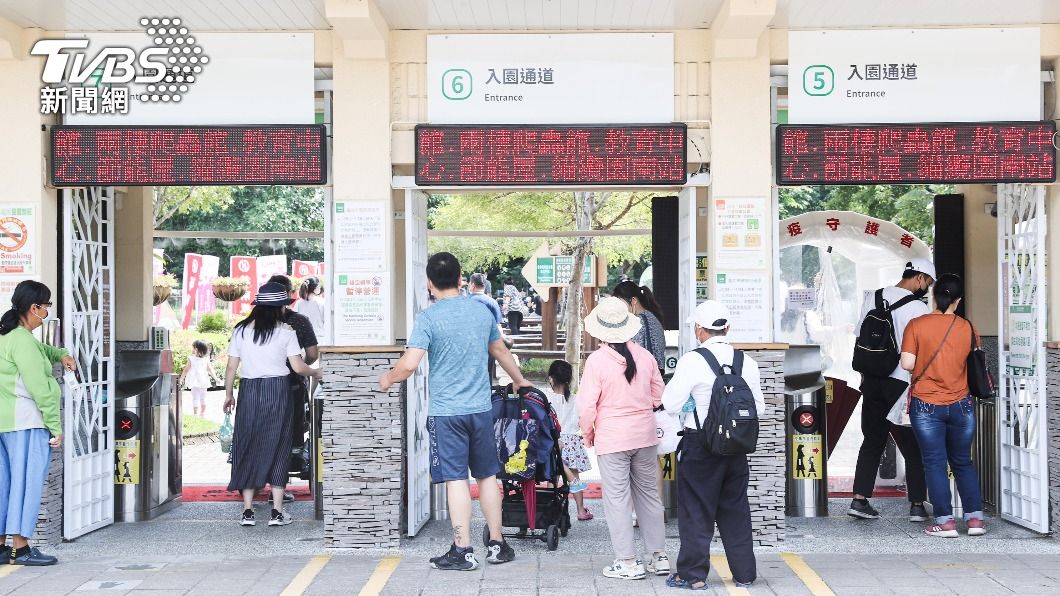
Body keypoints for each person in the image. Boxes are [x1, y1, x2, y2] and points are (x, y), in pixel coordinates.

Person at [378, 252, 528, 570]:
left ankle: (463, 550)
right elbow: (500, 350)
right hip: (481, 409)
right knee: (487, 476)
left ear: (429, 284)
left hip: (447, 413)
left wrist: (386, 379)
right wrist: (519, 380)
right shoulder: (480, 311)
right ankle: (498, 544)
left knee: (456, 479)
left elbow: (408, 365)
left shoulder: (428, 318)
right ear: (461, 279)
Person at [661, 300, 766, 590]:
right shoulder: (748, 362)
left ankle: (693, 576)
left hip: (700, 445)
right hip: (736, 448)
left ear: (699, 330)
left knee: (696, 509)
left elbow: (670, 403)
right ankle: (745, 574)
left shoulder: (693, 360)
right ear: (727, 328)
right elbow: (759, 408)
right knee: (735, 509)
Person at [577, 297, 668, 581]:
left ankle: (627, 562)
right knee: (649, 496)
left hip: (613, 437)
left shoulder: (597, 361)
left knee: (617, 500)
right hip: (645, 434)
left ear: (601, 330)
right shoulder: (645, 356)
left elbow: (586, 407)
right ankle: (658, 556)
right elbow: (659, 396)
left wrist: (589, 434)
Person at [224, 282, 322, 527]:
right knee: (280, 444)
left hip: (249, 390)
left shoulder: (241, 331)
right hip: (278, 390)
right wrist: (317, 373)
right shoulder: (286, 332)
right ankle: (277, 512)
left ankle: (248, 512)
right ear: (280, 308)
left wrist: (228, 395)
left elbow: (231, 367)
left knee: (247, 443)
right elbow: (299, 367)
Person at [900, 274, 986, 538]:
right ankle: (975, 521)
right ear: (958, 301)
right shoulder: (968, 328)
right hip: (961, 404)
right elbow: (972, 360)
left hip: (926, 404)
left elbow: (907, 364)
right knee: (962, 462)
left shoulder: (917, 325)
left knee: (935, 463)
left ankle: (945, 523)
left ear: (933, 296)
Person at [0, 280, 77, 565]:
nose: (47, 312)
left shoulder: (8, 335)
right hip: (26, 423)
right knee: (28, 483)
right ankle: (20, 548)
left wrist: (59, 354)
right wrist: (55, 426)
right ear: (34, 308)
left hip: (5, 423)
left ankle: (1, 548)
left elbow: (40, 351)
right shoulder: (22, 340)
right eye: (46, 306)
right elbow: (40, 389)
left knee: (4, 484)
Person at [850, 259, 932, 521]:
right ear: (919, 278)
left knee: (872, 440)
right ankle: (917, 505)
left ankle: (859, 500)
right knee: (912, 445)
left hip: (872, 379)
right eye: (927, 282)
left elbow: (859, 337)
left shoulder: (873, 297)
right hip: (901, 382)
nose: (927, 287)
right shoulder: (918, 308)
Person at [269, 275, 319, 503]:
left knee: (267, 432)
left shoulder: (252, 322)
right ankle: (281, 484)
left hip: (259, 387)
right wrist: (303, 368)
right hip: (292, 385)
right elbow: (312, 354)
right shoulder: (298, 321)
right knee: (292, 433)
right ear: (289, 295)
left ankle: (262, 482)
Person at [541, 360, 593, 522]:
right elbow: (582, 420)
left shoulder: (545, 397)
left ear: (551, 378)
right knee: (574, 476)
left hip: (553, 442)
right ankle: (580, 510)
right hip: (572, 442)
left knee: (553, 478)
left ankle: (550, 509)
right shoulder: (577, 400)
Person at [612, 280, 666, 374]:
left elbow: (634, 357)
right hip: (653, 376)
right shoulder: (650, 316)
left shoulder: (639, 322)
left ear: (633, 300)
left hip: (644, 378)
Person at [469, 274, 504, 382]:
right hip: (488, 345)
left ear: (473, 285)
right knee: (487, 374)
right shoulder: (492, 303)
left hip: (467, 345)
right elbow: (498, 326)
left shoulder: (463, 301)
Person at [180, 340, 218, 417]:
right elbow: (210, 370)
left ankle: (195, 414)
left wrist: (181, 379)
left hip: (194, 382)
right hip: (203, 381)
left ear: (196, 349)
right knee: (203, 398)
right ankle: (203, 413)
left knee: (195, 398)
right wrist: (216, 378)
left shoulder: (191, 358)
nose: (192, 349)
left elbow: (186, 370)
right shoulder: (206, 358)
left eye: (192, 348)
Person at [294, 276, 326, 341]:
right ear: (315, 288)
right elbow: (326, 321)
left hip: (303, 339)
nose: (320, 287)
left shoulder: (298, 303)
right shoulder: (321, 302)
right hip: (319, 338)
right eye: (319, 286)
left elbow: (295, 321)